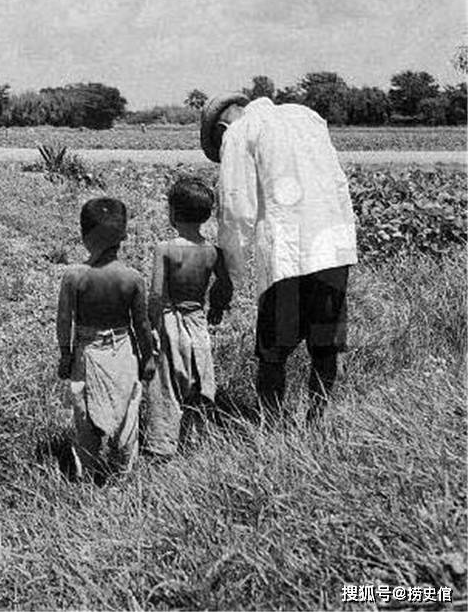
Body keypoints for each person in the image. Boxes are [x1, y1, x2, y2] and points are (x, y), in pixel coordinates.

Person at [200, 94, 358, 423]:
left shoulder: (240, 131)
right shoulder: (306, 115)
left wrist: (228, 277)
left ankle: (271, 426)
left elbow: (236, 208)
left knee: (273, 351)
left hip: (288, 254)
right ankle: (319, 421)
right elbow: (338, 183)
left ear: (221, 127)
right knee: (325, 346)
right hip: (333, 244)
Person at [56, 197, 155, 481]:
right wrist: (147, 358)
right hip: (123, 350)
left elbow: (64, 321)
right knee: (127, 409)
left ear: (83, 235)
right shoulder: (132, 278)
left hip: (87, 350)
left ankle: (86, 471)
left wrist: (66, 355)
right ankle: (122, 472)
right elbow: (142, 325)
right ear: (124, 236)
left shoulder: (74, 276)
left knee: (84, 410)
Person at [143, 176, 233, 456]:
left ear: (173, 213)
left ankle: (162, 445)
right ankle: (192, 441)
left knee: (166, 386)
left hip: (171, 323)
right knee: (198, 380)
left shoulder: (166, 249)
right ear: (206, 216)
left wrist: (151, 326)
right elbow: (225, 285)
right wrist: (217, 307)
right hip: (197, 324)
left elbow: (157, 294)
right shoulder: (212, 252)